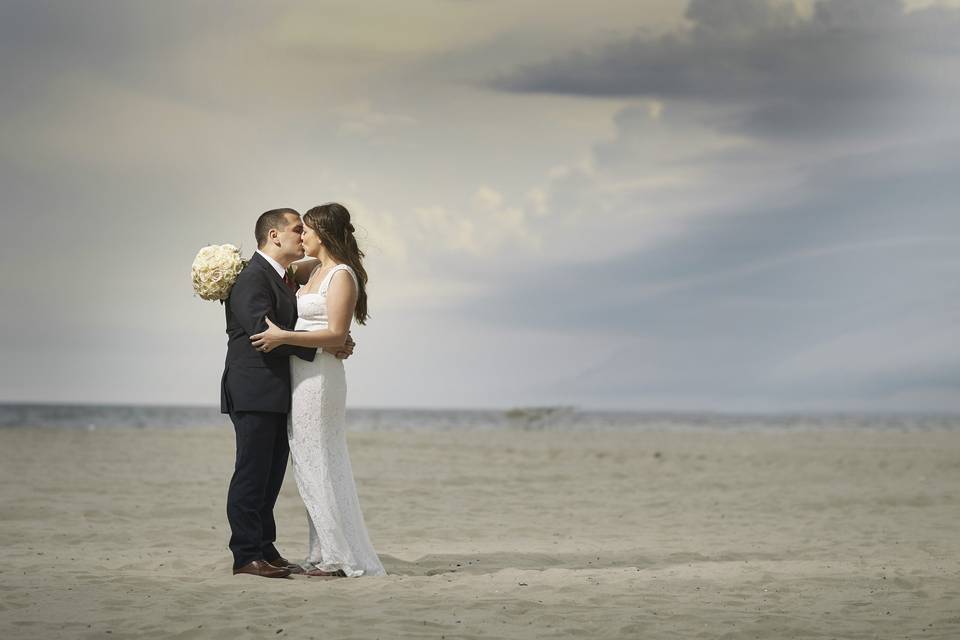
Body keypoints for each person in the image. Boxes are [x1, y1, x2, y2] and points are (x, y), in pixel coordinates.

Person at [251, 203, 385, 577]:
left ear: (322, 234)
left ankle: (338, 557)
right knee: (309, 463)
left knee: (319, 461)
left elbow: (337, 333)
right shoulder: (311, 270)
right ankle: (323, 550)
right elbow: (271, 267)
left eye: (305, 230)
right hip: (301, 373)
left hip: (320, 377)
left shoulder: (340, 275)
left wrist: (283, 337)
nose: (301, 236)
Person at [220, 208, 354, 578]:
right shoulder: (252, 277)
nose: (302, 235)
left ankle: (266, 547)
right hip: (253, 389)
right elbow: (264, 334)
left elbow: (298, 326)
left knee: (271, 475)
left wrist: (333, 341)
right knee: (251, 473)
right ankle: (246, 555)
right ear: (274, 235)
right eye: (297, 229)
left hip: (280, 391)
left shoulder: (281, 277)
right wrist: (324, 346)